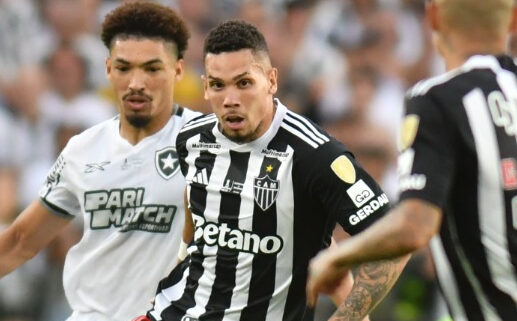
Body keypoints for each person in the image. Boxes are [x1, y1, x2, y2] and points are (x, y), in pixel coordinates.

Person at [143, 20, 409, 321]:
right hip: (173, 311)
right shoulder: (191, 139)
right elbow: (195, 198)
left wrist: (347, 316)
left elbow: (393, 241)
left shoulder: (315, 155)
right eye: (218, 85)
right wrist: (180, 257)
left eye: (244, 83)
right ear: (205, 87)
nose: (230, 100)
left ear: (271, 81)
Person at [0, 2, 200, 321]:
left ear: (178, 70)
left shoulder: (204, 143)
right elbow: (20, 241)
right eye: (124, 67)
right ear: (108, 69)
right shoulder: (83, 149)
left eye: (152, 68)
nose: (136, 82)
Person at [306, 1, 517, 321]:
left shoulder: (439, 99)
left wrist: (336, 258)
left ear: (433, 16)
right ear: (513, 19)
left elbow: (415, 225)